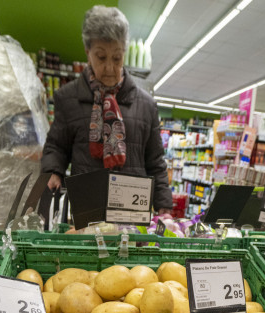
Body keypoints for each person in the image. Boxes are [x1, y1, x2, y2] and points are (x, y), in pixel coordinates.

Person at [40, 5, 173, 214]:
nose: (110, 67)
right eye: (101, 57)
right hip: (86, 209)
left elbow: (155, 161)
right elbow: (56, 147)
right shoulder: (68, 99)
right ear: (87, 52)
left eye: (117, 58)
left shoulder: (146, 106)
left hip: (132, 212)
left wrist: (164, 206)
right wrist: (52, 171)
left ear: (124, 52)